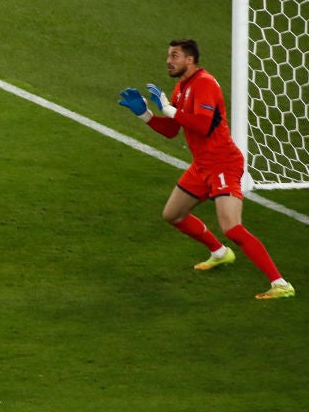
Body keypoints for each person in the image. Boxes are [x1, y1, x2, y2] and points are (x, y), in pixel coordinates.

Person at [118, 38, 295, 300]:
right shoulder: (181, 88)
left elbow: (201, 125)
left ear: (190, 59)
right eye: (169, 55)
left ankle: (280, 283)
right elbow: (172, 130)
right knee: (173, 214)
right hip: (202, 165)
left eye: (175, 56)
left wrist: (168, 109)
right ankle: (220, 253)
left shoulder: (205, 84)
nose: (169, 60)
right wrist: (144, 114)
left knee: (232, 228)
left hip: (223, 162)